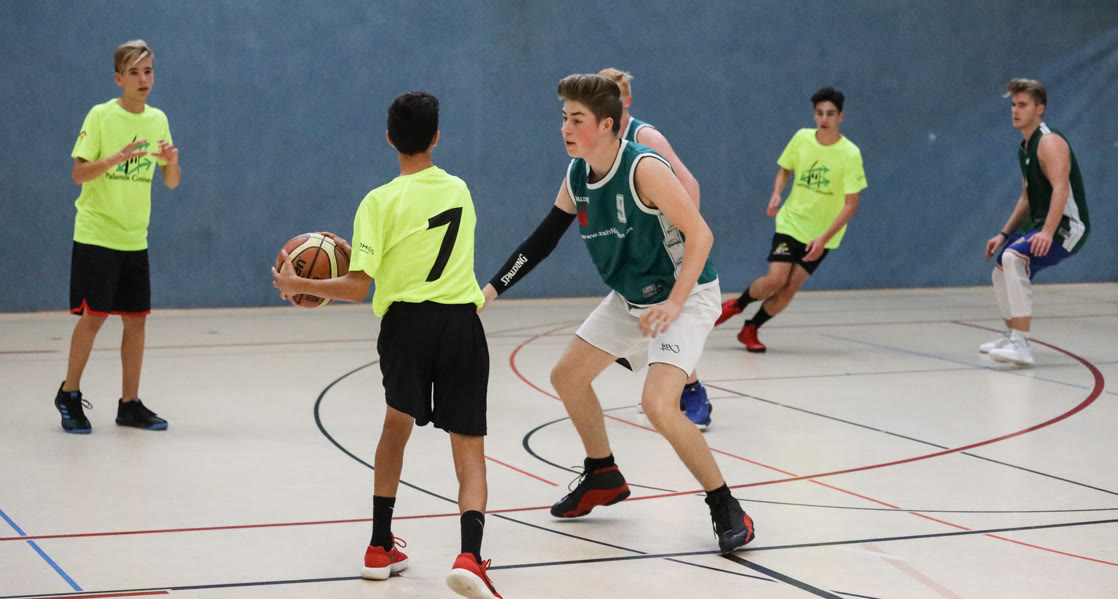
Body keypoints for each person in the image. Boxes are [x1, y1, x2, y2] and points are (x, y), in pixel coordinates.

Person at [481, 74, 755, 555]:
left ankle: (726, 506)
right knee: (567, 376)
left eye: (577, 119)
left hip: (684, 296)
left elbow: (701, 235)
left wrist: (675, 303)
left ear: (607, 124)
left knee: (658, 405)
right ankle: (602, 473)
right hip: (631, 297)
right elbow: (541, 242)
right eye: (563, 118)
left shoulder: (643, 168)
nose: (565, 128)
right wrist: (489, 290)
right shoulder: (577, 176)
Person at [272, 92, 501, 599]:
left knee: (395, 428)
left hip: (405, 328)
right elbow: (423, 247)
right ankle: (469, 556)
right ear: (436, 137)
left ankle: (379, 546)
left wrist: (298, 284)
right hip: (460, 324)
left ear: (389, 138)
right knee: (468, 446)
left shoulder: (377, 202)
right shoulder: (459, 190)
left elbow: (358, 287)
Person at [54, 39, 181, 434]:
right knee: (94, 317)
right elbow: (78, 173)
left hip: (134, 238)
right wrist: (116, 158)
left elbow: (171, 182)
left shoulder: (158, 119)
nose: (143, 79)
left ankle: (129, 404)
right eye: (134, 72)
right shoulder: (101, 116)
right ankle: (69, 394)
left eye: (148, 71)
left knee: (136, 321)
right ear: (118, 79)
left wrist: (172, 163)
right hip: (97, 234)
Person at [598, 67, 712, 428]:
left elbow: (688, 182)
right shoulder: (599, 141)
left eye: (615, 96)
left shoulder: (644, 136)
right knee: (650, 318)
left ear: (627, 101)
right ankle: (672, 388)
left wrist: (686, 235)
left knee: (668, 317)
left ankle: (693, 392)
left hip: (666, 244)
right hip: (636, 244)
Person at [716, 87, 866, 351]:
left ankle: (751, 328)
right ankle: (735, 306)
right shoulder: (801, 138)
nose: (824, 119)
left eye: (830, 114)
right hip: (791, 222)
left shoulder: (850, 154)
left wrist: (823, 239)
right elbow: (785, 169)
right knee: (776, 279)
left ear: (841, 116)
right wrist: (777, 193)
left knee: (789, 288)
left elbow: (851, 204)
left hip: (822, 235)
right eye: (819, 113)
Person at [980, 78, 1089, 366]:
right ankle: (1011, 335)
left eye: (1023, 105)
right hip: (1043, 223)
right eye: (1013, 105)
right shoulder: (1025, 147)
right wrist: (1003, 233)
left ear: (1040, 109)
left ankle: (1021, 344)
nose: (1015, 110)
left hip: (1069, 226)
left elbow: (1061, 189)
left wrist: (1048, 232)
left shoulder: (1050, 142)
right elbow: (1027, 198)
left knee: (1014, 258)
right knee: (1001, 266)